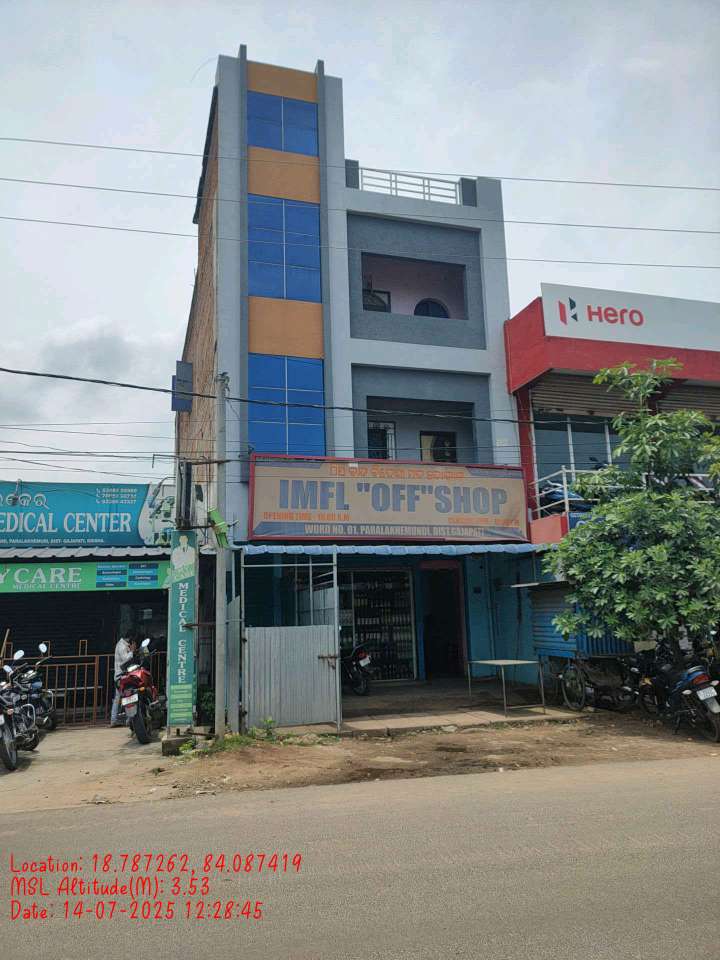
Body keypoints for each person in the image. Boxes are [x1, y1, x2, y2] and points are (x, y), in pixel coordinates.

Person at [110, 632, 138, 727]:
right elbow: (125, 659)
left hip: (122, 675)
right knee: (125, 697)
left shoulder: (123, 644)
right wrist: (132, 651)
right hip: (121, 676)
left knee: (119, 698)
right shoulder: (122, 646)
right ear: (129, 638)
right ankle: (126, 719)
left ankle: (116, 719)